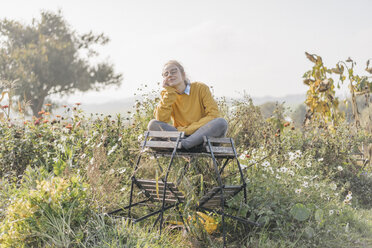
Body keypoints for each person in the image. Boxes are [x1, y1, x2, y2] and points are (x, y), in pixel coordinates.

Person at [147, 60, 228, 150]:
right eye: (166, 74)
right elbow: (161, 119)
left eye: (173, 72)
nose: (169, 75)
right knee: (153, 124)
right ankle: (191, 145)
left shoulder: (200, 88)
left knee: (221, 122)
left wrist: (187, 130)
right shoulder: (167, 94)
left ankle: (184, 145)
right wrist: (169, 93)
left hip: (202, 134)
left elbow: (213, 115)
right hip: (181, 136)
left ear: (183, 74)